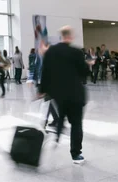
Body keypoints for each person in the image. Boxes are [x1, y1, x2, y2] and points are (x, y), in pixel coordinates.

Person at [39, 26, 88, 164]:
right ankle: (76, 154)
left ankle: (57, 135)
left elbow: (45, 72)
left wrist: (42, 89)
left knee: (61, 114)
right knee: (76, 124)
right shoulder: (76, 52)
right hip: (75, 94)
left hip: (58, 94)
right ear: (70, 37)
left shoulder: (51, 51)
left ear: (61, 36)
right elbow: (84, 73)